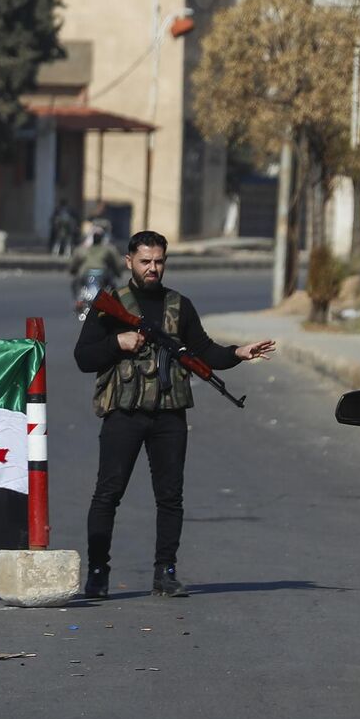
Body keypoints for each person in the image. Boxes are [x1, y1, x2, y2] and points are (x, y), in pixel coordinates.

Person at [74, 230, 274, 599]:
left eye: (159, 261)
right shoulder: (110, 304)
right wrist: (116, 343)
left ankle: (165, 572)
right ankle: (98, 572)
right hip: (124, 412)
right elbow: (83, 357)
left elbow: (204, 352)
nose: (153, 268)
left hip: (169, 415)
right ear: (129, 262)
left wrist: (238, 353)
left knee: (170, 497)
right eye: (146, 261)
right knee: (108, 494)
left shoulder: (179, 306)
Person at [68, 220, 128, 304]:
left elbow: (74, 262)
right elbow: (116, 264)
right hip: (102, 273)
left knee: (76, 285)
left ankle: (78, 301)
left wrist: (72, 271)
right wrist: (118, 273)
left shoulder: (82, 249)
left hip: (85, 273)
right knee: (112, 287)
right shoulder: (108, 249)